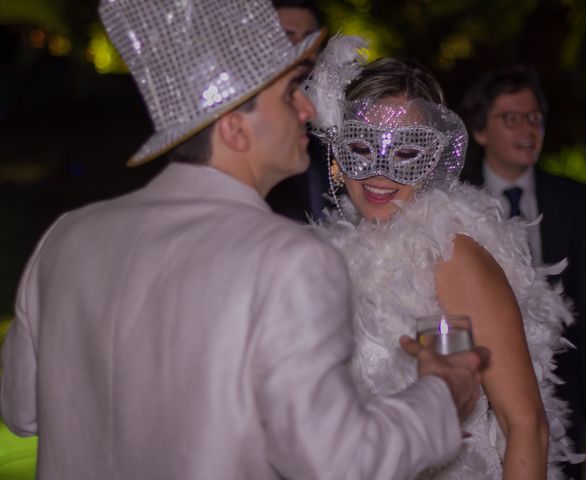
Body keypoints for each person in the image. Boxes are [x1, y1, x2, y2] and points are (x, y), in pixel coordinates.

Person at [0, 1, 489, 479]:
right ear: (234, 126)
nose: (308, 109)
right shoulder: (288, 260)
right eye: (290, 92)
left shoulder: (65, 239)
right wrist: (441, 396)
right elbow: (338, 462)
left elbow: (20, 412)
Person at [306, 39, 577, 479]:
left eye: (406, 153)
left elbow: (526, 425)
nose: (380, 172)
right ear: (338, 153)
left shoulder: (453, 259)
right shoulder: (328, 260)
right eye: (361, 148)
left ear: (433, 160)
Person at [459, 64, 586, 479]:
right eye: (512, 118)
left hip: (560, 391)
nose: (528, 129)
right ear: (480, 131)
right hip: (479, 391)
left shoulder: (573, 199)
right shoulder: (456, 198)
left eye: (534, 118)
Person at [266, 0, 329, 221]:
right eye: (288, 36)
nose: (302, 48)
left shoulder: (334, 117)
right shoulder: (247, 117)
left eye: (309, 38)